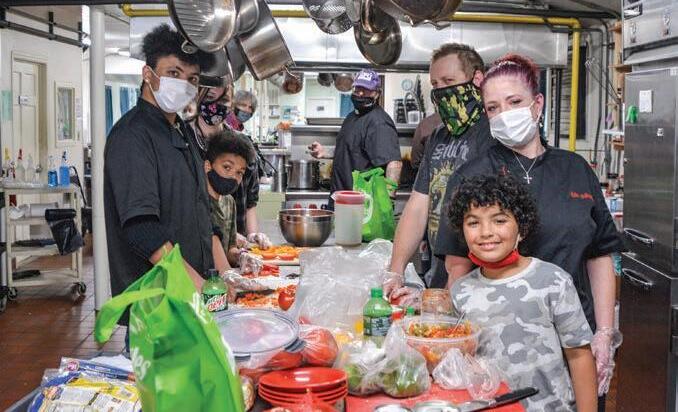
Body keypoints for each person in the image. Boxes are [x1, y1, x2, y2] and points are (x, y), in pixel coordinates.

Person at [434, 54, 624, 409]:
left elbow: (599, 254)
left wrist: (603, 333)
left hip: (575, 341)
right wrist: (453, 343)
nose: (504, 114)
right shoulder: (472, 175)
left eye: (514, 102)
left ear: (537, 105)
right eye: (493, 108)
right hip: (500, 348)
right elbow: (457, 269)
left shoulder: (575, 169)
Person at [448, 174, 597, 412]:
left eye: (499, 220)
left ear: (522, 228)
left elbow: (580, 357)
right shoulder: (460, 292)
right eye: (473, 223)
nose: (486, 232)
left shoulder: (553, 281)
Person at [104, 25, 219, 322]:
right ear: (148, 74)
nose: (183, 84)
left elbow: (197, 209)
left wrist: (219, 275)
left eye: (192, 78)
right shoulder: (132, 136)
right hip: (157, 306)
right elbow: (142, 229)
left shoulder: (180, 130)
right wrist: (196, 285)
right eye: (173, 73)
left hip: (190, 297)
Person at [385, 43, 495, 299]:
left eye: (449, 81)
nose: (441, 91)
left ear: (477, 79)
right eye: (435, 84)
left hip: (480, 283)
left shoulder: (493, 134)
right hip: (440, 272)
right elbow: (418, 206)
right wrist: (396, 270)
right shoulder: (438, 137)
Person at [189, 86, 270, 250]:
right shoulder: (181, 143)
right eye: (210, 97)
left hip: (234, 247)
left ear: (231, 104)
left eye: (224, 100)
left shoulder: (243, 147)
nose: (216, 104)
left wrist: (253, 237)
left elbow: (250, 203)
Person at [309, 69, 402, 201]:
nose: (361, 93)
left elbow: (394, 163)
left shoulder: (379, 122)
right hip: (341, 198)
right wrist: (325, 152)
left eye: (366, 89)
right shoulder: (351, 117)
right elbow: (351, 149)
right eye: (358, 88)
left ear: (377, 94)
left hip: (362, 204)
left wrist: (387, 202)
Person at [204, 130, 255, 267]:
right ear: (208, 166)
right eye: (227, 167)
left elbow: (230, 249)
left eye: (239, 172)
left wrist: (240, 257)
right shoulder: (198, 201)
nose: (233, 176)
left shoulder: (229, 202)